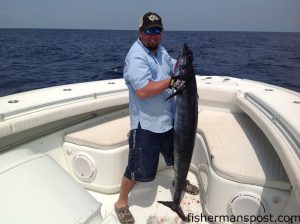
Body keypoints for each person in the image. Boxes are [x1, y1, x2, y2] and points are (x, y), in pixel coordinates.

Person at [114, 12, 199, 224]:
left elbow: (173, 66)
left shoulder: (159, 51)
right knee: (136, 169)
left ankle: (180, 182)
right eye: (149, 31)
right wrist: (173, 81)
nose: (154, 35)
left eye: (157, 30)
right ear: (141, 32)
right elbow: (143, 90)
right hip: (147, 125)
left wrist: (184, 62)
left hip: (169, 121)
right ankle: (121, 203)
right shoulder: (136, 56)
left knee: (177, 156)